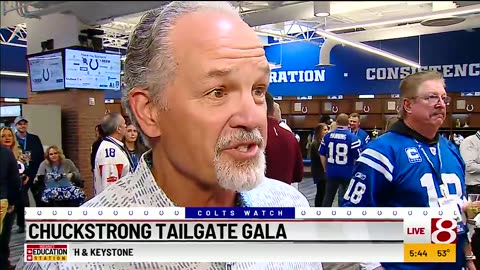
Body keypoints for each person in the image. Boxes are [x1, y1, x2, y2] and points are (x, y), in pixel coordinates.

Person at [19, 2, 322, 269]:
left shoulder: (291, 206)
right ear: (149, 111)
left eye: (258, 90)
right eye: (218, 92)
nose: (252, 117)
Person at [342, 71, 474, 270]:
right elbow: (353, 214)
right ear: (408, 105)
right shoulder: (383, 151)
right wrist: (373, 265)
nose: (441, 103)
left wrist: (468, 256)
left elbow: (456, 214)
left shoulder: (450, 150)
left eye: (443, 98)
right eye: (431, 97)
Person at [319, 113, 361, 207]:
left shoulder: (327, 137)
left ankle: (323, 218)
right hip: (347, 172)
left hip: (331, 172)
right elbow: (358, 157)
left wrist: (325, 168)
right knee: (347, 198)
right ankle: (345, 218)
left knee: (328, 198)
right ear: (348, 123)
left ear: (336, 122)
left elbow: (322, 154)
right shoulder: (353, 138)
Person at [265, 92, 304, 186]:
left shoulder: (250, 136)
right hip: (283, 195)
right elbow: (298, 175)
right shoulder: (290, 136)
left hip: (254, 197)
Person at [13, 116, 44, 230]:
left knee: (39, 198)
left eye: (24, 124)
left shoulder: (34, 138)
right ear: (16, 126)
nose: (22, 126)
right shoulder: (13, 140)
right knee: (22, 201)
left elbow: (41, 155)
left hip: (34, 172)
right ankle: (22, 224)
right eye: (20, 124)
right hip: (20, 174)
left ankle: (42, 220)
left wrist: (39, 173)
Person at [93, 112, 132, 196]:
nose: (126, 126)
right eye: (124, 124)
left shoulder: (114, 147)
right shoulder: (110, 152)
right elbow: (109, 188)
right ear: (118, 129)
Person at [0, 145, 21, 270]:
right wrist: (12, 201)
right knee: (2, 237)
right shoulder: (6, 153)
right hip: (2, 200)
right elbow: (15, 180)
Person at [310, 123, 329, 207]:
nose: (327, 131)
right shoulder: (315, 144)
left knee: (324, 191)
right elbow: (320, 156)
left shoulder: (324, 142)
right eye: (324, 130)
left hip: (323, 171)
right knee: (320, 191)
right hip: (319, 171)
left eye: (327, 129)